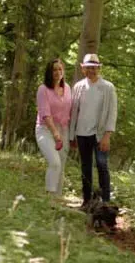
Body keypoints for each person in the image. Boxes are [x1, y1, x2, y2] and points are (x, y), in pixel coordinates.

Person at [69, 53, 118, 209]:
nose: (91, 71)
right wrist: (72, 136)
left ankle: (105, 202)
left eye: (94, 68)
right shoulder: (78, 87)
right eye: (88, 68)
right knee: (85, 167)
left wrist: (107, 135)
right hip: (82, 134)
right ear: (83, 69)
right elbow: (74, 112)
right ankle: (87, 200)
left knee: (102, 165)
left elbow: (112, 112)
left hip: (100, 134)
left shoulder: (108, 88)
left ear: (99, 68)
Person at [35, 58, 72, 196]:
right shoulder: (43, 89)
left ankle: (57, 198)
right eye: (54, 70)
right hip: (45, 129)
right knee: (54, 162)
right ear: (49, 72)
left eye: (60, 69)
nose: (57, 72)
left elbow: (70, 110)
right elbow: (45, 113)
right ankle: (49, 196)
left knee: (61, 165)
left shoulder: (67, 88)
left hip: (63, 130)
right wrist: (55, 133)